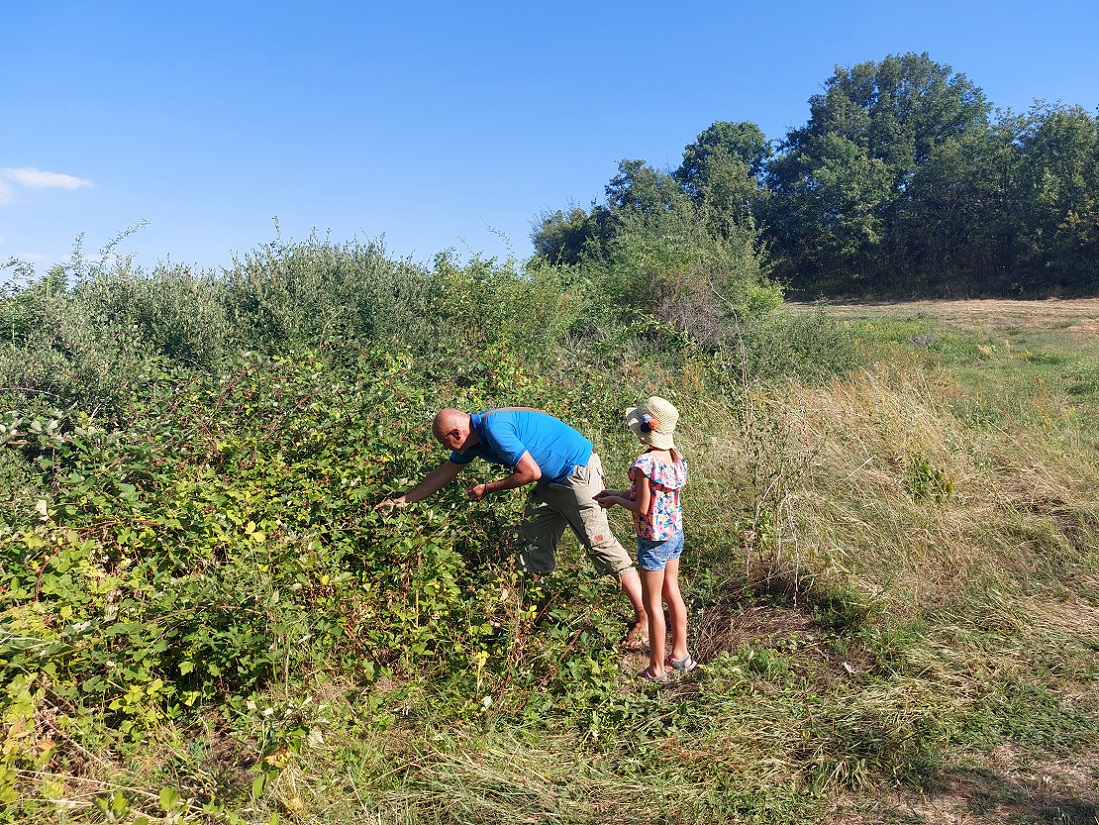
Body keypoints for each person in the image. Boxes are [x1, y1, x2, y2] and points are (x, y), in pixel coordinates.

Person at [376, 407, 648, 644]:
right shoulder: (473, 441)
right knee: (532, 543)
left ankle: (645, 617)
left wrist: (487, 488)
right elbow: (442, 474)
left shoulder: (494, 428)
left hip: (577, 472)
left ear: (457, 433)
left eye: (445, 442)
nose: (446, 449)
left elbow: (530, 472)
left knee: (599, 545)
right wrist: (401, 502)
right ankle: (535, 614)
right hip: (550, 484)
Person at [595, 397, 694, 682]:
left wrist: (615, 501)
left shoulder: (644, 463)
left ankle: (656, 668)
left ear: (644, 429)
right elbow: (651, 495)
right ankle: (681, 655)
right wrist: (618, 493)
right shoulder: (674, 456)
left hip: (653, 541)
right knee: (672, 592)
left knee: (652, 605)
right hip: (674, 534)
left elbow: (642, 507)